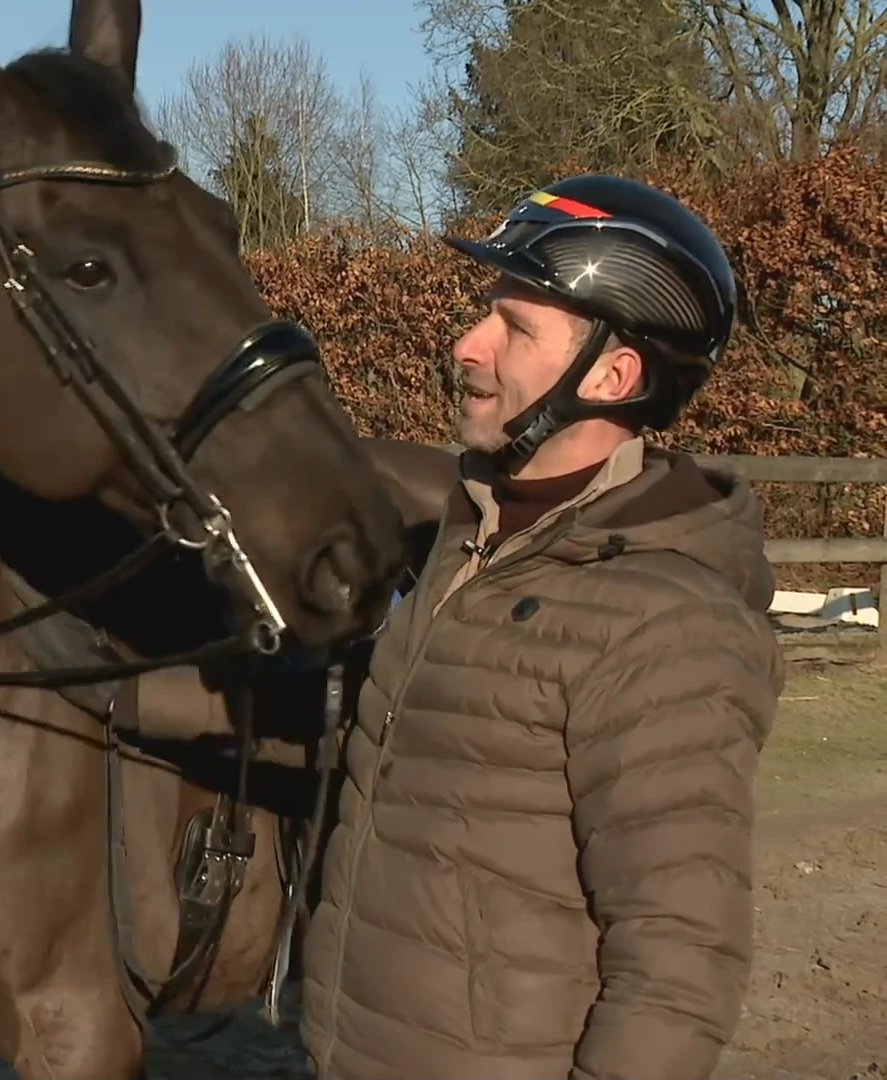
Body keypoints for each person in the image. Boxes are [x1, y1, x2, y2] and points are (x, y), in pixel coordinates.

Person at [296, 174, 788, 1080]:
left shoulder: (667, 625)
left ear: (612, 373)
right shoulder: (469, 535)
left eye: (515, 328)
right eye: (487, 313)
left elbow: (679, 960)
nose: (466, 344)